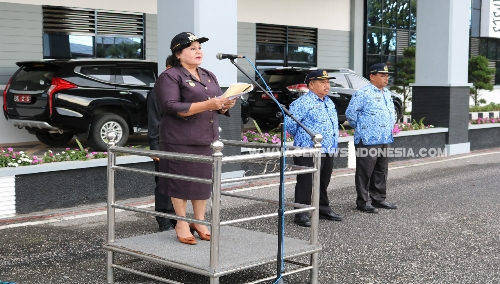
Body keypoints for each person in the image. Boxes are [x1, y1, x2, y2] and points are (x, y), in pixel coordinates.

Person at [154, 32, 236, 245]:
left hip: (205, 138)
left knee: (201, 184)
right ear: (178, 54)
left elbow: (215, 102)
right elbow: (170, 106)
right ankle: (181, 222)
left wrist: (224, 105)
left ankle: (198, 221)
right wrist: (209, 104)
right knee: (180, 183)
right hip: (178, 139)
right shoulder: (170, 76)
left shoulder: (208, 74)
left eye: (199, 47)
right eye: (192, 48)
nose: (198, 51)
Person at [286, 69, 343, 227]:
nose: (327, 85)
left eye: (328, 82)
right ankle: (301, 212)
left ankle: (323, 208)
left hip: (327, 148)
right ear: (311, 85)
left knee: (323, 180)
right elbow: (290, 126)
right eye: (323, 82)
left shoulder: (328, 102)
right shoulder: (301, 103)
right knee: (306, 181)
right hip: (307, 149)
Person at [345, 63, 398, 213]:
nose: (386, 78)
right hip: (368, 139)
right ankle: (363, 201)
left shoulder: (386, 93)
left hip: (385, 138)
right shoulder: (363, 93)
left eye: (387, 76)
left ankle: (379, 199)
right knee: (365, 171)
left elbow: (391, 112)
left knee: (381, 170)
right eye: (382, 75)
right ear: (372, 77)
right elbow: (351, 114)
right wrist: (363, 129)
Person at [147, 55, 177, 232]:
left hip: (179, 144)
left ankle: (175, 218)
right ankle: (163, 221)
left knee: (177, 183)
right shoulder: (158, 91)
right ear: (167, 68)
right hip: (163, 144)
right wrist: (155, 147)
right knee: (164, 183)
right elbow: (153, 121)